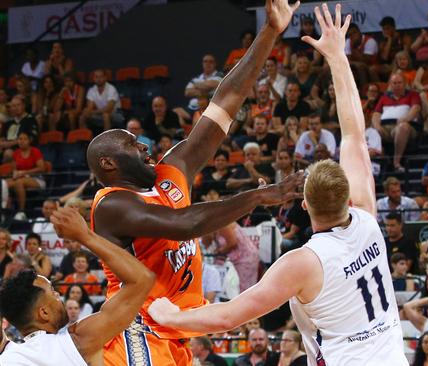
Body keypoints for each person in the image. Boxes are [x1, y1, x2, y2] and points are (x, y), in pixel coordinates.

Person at [147, 5, 410, 365]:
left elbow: (229, 316)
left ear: (304, 204)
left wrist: (170, 317)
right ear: (347, 197)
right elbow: (354, 136)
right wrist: (337, 55)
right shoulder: (366, 215)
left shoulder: (303, 262)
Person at [88, 2, 304, 365]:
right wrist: (258, 195)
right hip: (136, 328)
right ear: (108, 163)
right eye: (131, 143)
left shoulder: (171, 170)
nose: (144, 145)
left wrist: (270, 33)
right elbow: (184, 223)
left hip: (177, 331)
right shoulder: (111, 204)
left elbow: (226, 101)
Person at [0, 207, 155, 365]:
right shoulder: (74, 341)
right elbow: (142, 279)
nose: (59, 296)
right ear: (44, 313)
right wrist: (85, 236)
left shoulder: (8, 358)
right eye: (53, 292)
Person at [371, 72, 422, 171]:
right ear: (390, 84)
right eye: (394, 83)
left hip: (405, 126)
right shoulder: (384, 97)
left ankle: (396, 162)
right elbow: (376, 114)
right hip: (385, 127)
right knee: (370, 131)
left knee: (403, 127)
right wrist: (377, 125)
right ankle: (378, 163)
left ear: (404, 83)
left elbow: (416, 108)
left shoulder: (413, 95)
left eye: (399, 83)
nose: (397, 85)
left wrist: (406, 119)